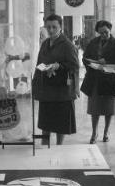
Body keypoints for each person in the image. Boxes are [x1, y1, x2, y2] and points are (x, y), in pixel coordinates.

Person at [32, 14, 79, 145]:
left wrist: (58, 65)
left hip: (62, 90)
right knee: (46, 121)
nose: (51, 30)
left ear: (60, 27)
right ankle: (44, 145)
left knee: (61, 122)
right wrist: (39, 77)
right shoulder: (45, 43)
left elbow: (74, 65)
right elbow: (39, 62)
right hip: (47, 89)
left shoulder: (67, 45)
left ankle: (59, 147)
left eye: (54, 27)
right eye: (48, 27)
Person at [80, 20, 115, 144]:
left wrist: (106, 61)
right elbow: (85, 58)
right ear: (98, 32)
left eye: (106, 32)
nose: (104, 35)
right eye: (101, 33)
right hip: (95, 79)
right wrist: (92, 63)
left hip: (110, 80)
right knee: (94, 108)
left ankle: (106, 132)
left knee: (109, 108)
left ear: (110, 30)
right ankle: (94, 132)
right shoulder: (93, 42)